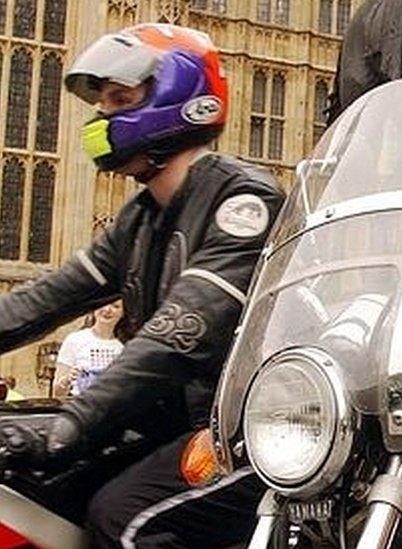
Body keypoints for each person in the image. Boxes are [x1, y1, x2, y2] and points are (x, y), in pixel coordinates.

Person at [0, 23, 284, 547]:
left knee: (121, 518)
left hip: (245, 437)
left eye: (119, 98)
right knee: (33, 487)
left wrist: (69, 428)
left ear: (177, 99)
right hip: (167, 431)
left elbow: (175, 339)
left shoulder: (243, 204)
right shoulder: (141, 217)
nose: (102, 115)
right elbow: (43, 300)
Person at [53, 301, 124, 397]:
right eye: (104, 303)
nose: (107, 309)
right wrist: (67, 380)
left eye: (116, 306)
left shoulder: (124, 347)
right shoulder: (75, 339)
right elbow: (57, 394)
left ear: (123, 313)